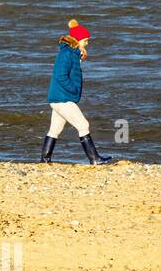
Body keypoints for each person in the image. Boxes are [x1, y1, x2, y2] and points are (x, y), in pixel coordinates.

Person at [42, 18, 114, 165]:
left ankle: (45, 160)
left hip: (58, 98)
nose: (87, 43)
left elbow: (72, 68)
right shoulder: (66, 54)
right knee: (83, 125)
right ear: (78, 39)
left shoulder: (70, 52)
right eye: (85, 40)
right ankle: (94, 159)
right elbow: (60, 76)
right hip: (63, 99)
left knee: (55, 129)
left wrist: (80, 55)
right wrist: (73, 90)